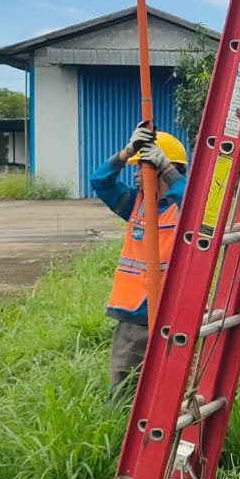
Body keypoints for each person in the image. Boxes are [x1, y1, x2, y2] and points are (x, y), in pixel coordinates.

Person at [90, 121, 187, 397]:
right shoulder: (134, 203)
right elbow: (100, 180)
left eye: (143, 167)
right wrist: (126, 152)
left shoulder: (182, 209)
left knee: (171, 392)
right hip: (134, 316)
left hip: (173, 314)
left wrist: (166, 168)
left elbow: (194, 202)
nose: (135, 173)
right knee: (122, 391)